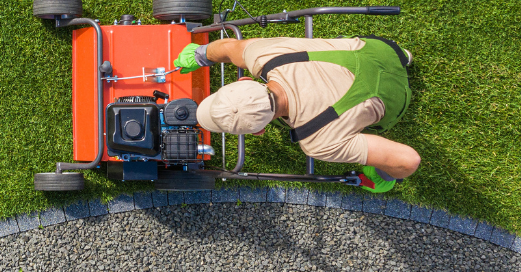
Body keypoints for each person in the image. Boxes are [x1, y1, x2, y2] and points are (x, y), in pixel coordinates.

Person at [173, 34, 419, 192]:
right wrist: (200, 54)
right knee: (379, 53)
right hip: (383, 50)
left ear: (259, 130)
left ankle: (384, 177)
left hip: (396, 100)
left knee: (388, 167)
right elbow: (229, 47)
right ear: (246, 79)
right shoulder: (265, 55)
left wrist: (388, 174)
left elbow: (409, 160)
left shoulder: (318, 141)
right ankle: (404, 57)